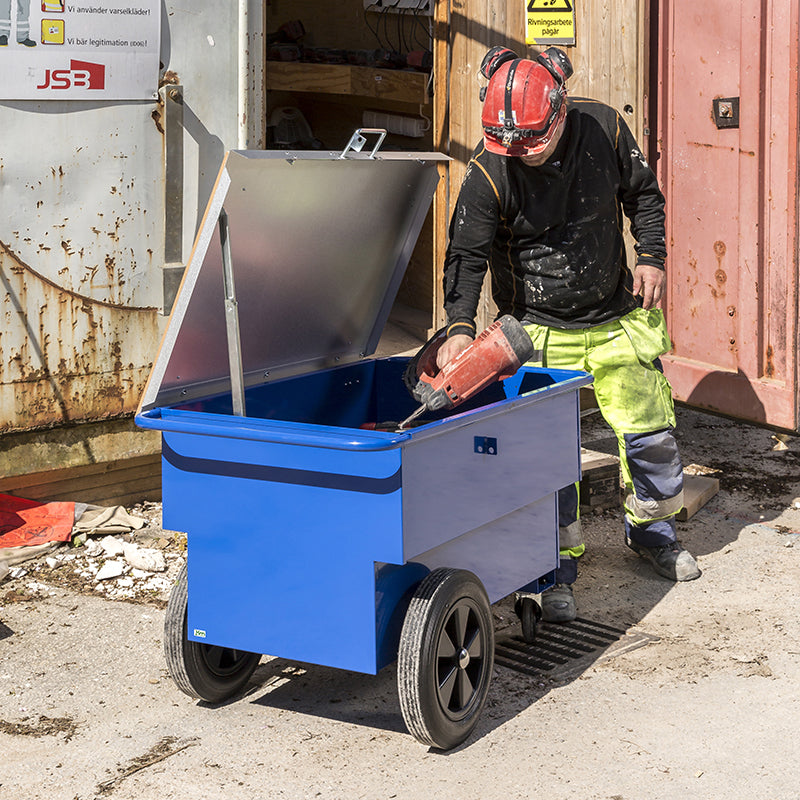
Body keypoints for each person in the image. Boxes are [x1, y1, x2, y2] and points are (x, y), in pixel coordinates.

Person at [437, 46, 701, 624]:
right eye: (511, 145)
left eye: (532, 140)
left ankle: (652, 532)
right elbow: (465, 257)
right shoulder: (489, 170)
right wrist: (458, 327)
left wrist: (652, 256)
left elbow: (644, 196)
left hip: (613, 318)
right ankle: (551, 564)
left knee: (650, 435)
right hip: (536, 329)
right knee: (543, 458)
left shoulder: (603, 126)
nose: (522, 154)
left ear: (559, 113)